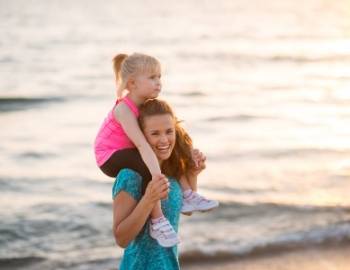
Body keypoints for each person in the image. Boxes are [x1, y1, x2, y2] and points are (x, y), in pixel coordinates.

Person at [94, 53, 218, 247]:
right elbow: (143, 145)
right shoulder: (124, 110)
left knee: (180, 140)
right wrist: (156, 176)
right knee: (147, 164)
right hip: (109, 156)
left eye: (160, 77)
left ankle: (188, 195)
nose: (159, 82)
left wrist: (191, 172)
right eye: (152, 77)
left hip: (169, 263)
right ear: (132, 83)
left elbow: (186, 212)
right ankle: (157, 220)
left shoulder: (145, 107)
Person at [112, 99, 208, 270]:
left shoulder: (172, 172)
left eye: (169, 131)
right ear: (141, 136)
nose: (164, 140)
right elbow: (122, 239)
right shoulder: (130, 176)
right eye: (155, 133)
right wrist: (149, 199)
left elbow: (188, 211)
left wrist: (192, 174)